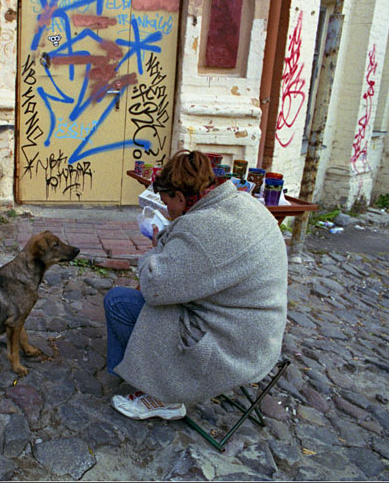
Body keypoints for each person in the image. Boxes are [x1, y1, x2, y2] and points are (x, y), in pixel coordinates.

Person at [103, 149, 288, 420]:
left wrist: (154, 252)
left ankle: (161, 394)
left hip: (232, 348)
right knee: (144, 299)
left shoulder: (203, 228)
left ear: (180, 196)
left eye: (168, 203)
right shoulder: (243, 204)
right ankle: (137, 370)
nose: (167, 211)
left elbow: (155, 286)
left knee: (119, 302)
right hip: (257, 337)